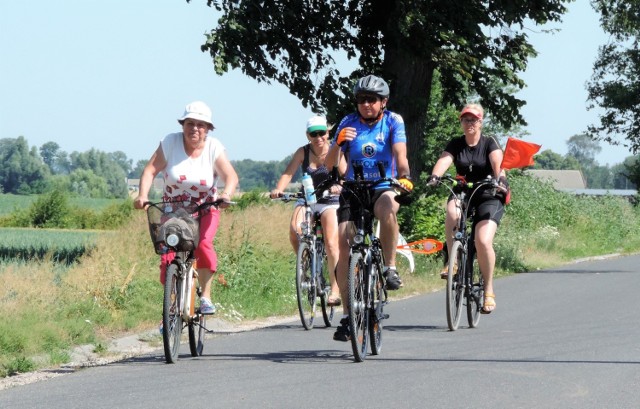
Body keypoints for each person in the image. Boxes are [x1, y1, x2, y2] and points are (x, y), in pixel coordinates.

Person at [325, 74, 413, 341]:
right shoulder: (348, 122)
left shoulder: (393, 121)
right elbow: (331, 163)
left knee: (388, 208)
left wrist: (406, 176)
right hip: (353, 187)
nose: (366, 105)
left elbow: (400, 154)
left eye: (372, 100)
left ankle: (389, 267)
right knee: (343, 241)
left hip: (382, 185)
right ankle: (348, 313)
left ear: (383, 101)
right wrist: (338, 142)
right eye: (362, 100)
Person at [134, 100, 239, 315]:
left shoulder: (214, 148)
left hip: (205, 208)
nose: (195, 129)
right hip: (174, 210)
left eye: (201, 125)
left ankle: (206, 297)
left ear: (208, 129)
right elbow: (149, 171)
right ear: (183, 125)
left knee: (203, 245)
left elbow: (230, 176)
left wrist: (226, 194)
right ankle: (171, 308)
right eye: (190, 123)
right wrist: (142, 196)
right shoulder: (170, 143)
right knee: (168, 254)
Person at [427, 103, 507, 314]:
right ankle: (452, 261)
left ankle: (488, 289)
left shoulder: (489, 142)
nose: (469, 123)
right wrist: (435, 176)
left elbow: (498, 163)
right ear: (461, 122)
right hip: (462, 191)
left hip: (488, 193)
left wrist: (501, 179)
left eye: (473, 119)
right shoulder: (456, 143)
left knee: (482, 240)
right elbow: (444, 160)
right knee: (453, 213)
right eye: (466, 119)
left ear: (480, 122)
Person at [270, 115, 344, 306]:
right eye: (314, 134)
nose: (319, 138)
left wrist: (339, 185)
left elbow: (345, 174)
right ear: (308, 136)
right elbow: (288, 172)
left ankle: (335, 290)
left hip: (330, 200)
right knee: (295, 229)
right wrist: (279, 189)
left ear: (328, 133)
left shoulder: (336, 150)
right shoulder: (302, 152)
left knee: (331, 242)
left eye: (322, 133)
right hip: (308, 199)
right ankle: (305, 264)